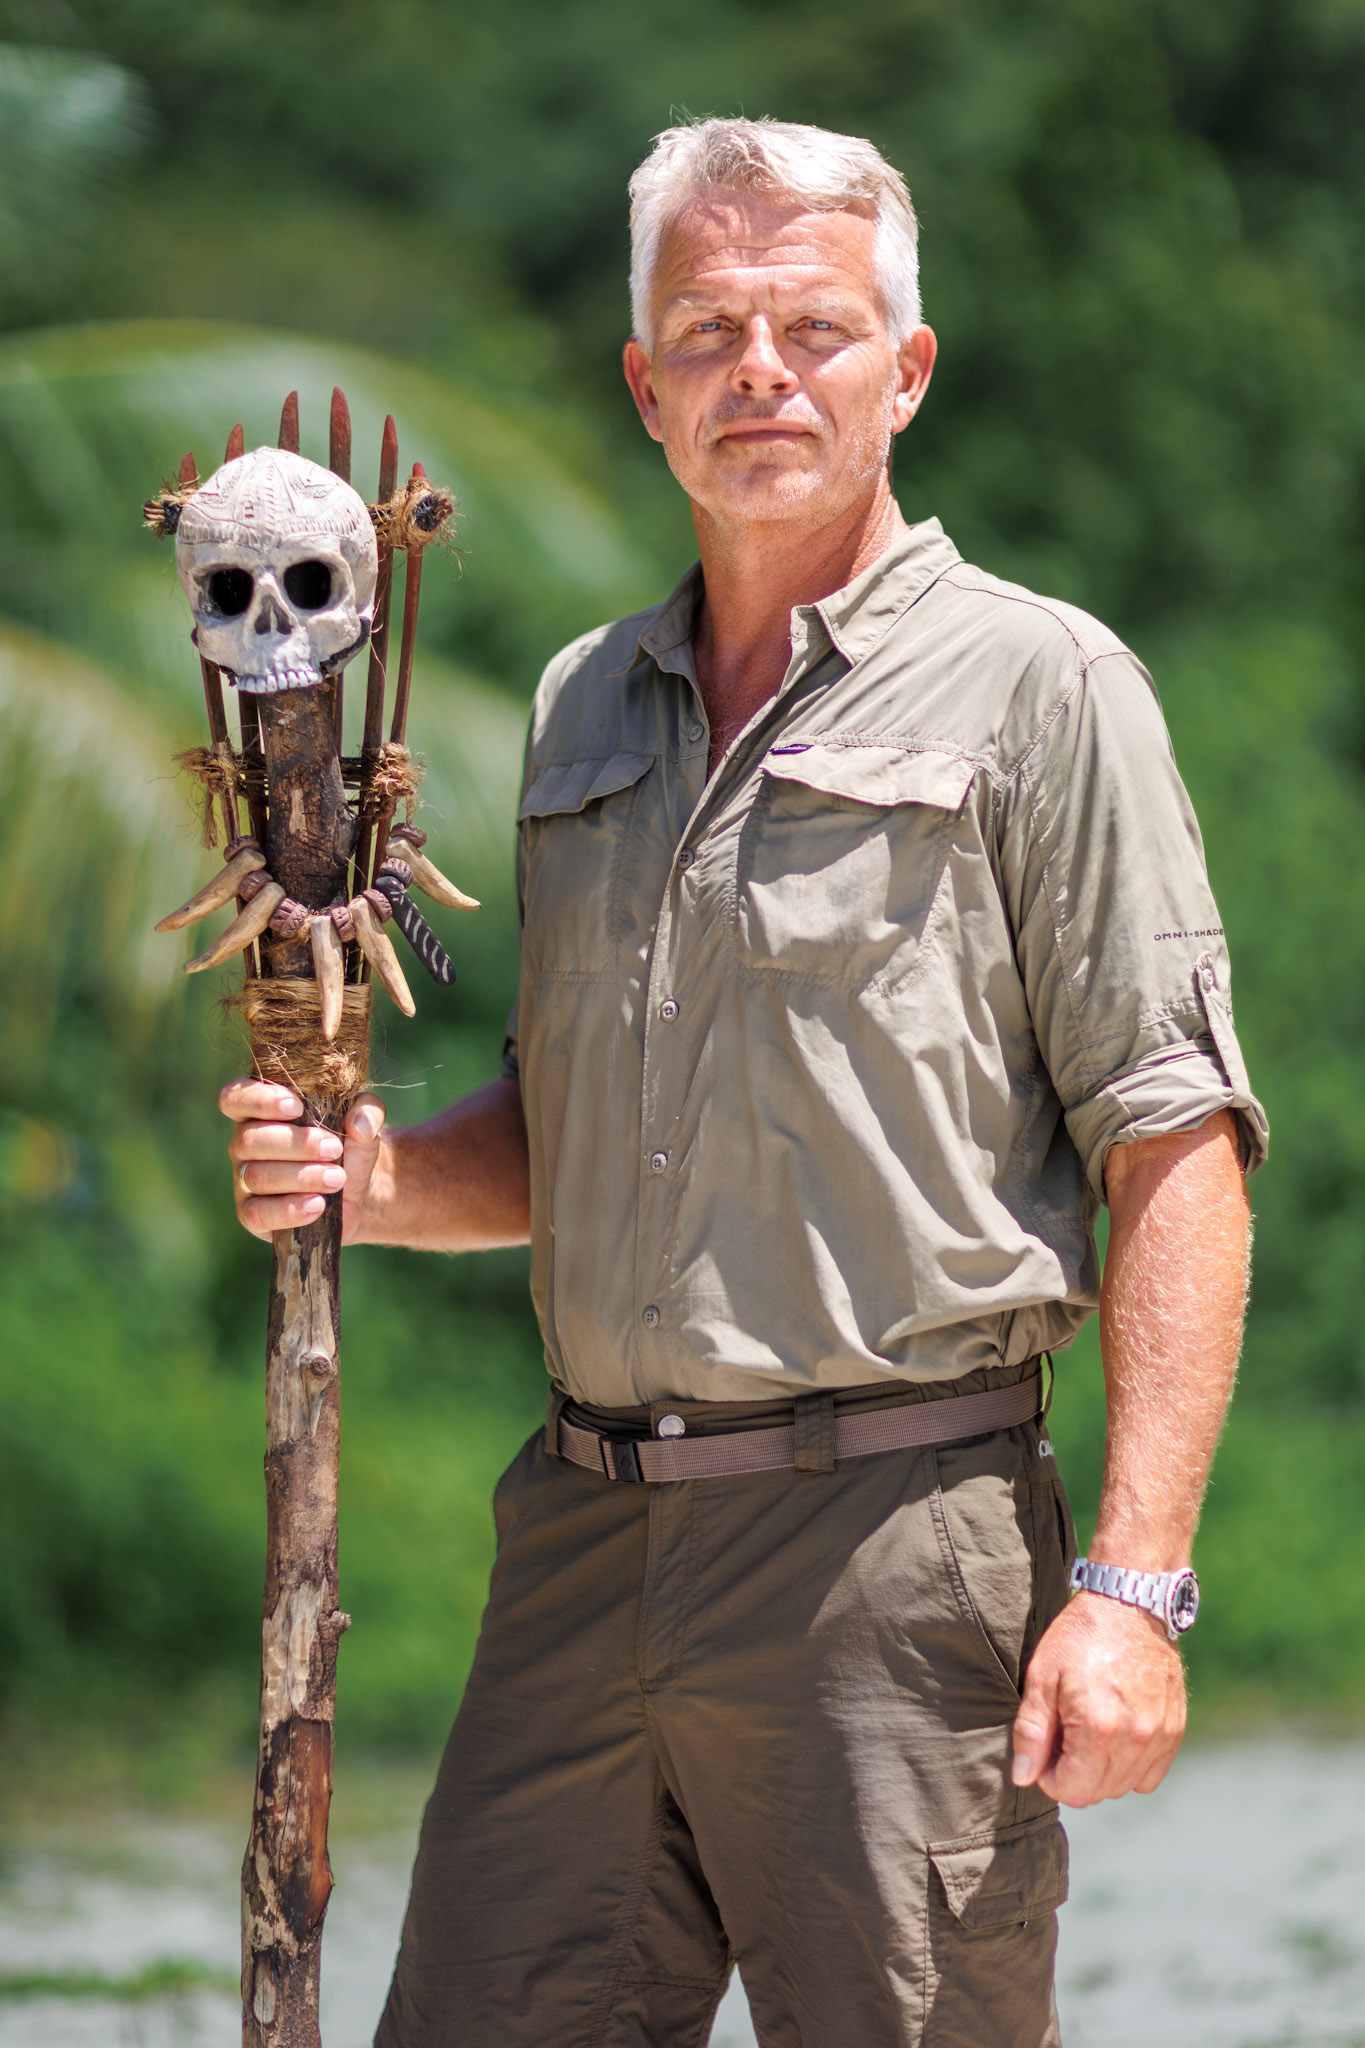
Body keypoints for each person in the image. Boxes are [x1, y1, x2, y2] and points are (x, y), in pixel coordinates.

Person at [221, 117, 1267, 2048]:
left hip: (894, 1541)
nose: (759, 371)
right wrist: (368, 1182)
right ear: (645, 385)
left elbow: (1173, 1145)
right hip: (582, 1532)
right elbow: (565, 1132)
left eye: (814, 328)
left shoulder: (1043, 687)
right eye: (707, 330)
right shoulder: (580, 705)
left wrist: (1134, 1588)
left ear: (906, 371)